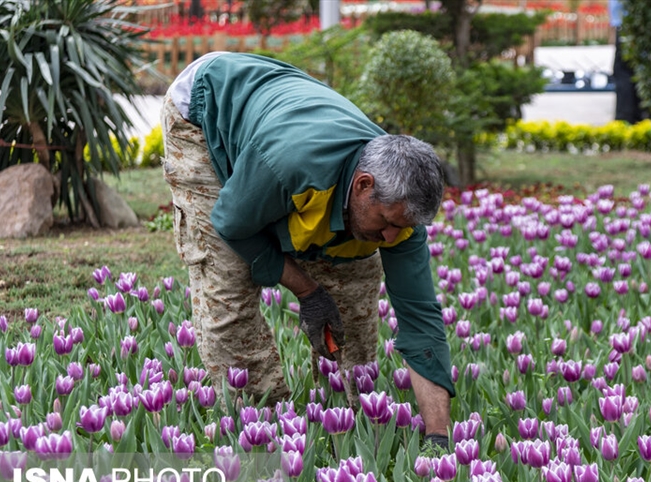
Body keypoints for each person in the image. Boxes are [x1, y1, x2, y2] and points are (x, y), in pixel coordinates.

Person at [160, 52, 453, 450]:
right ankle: (265, 430)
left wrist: (438, 435)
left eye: (401, 228)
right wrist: (307, 290)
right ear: (363, 185)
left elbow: (421, 321)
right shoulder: (288, 166)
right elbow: (230, 224)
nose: (390, 237)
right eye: (386, 222)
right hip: (204, 106)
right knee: (226, 283)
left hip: (281, 116)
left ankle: (352, 423)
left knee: (356, 284)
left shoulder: (399, 215)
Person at [609, 0, 645, 124]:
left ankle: (626, 118)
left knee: (624, 72)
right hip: (635, 22)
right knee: (636, 70)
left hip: (628, 23)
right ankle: (639, 116)